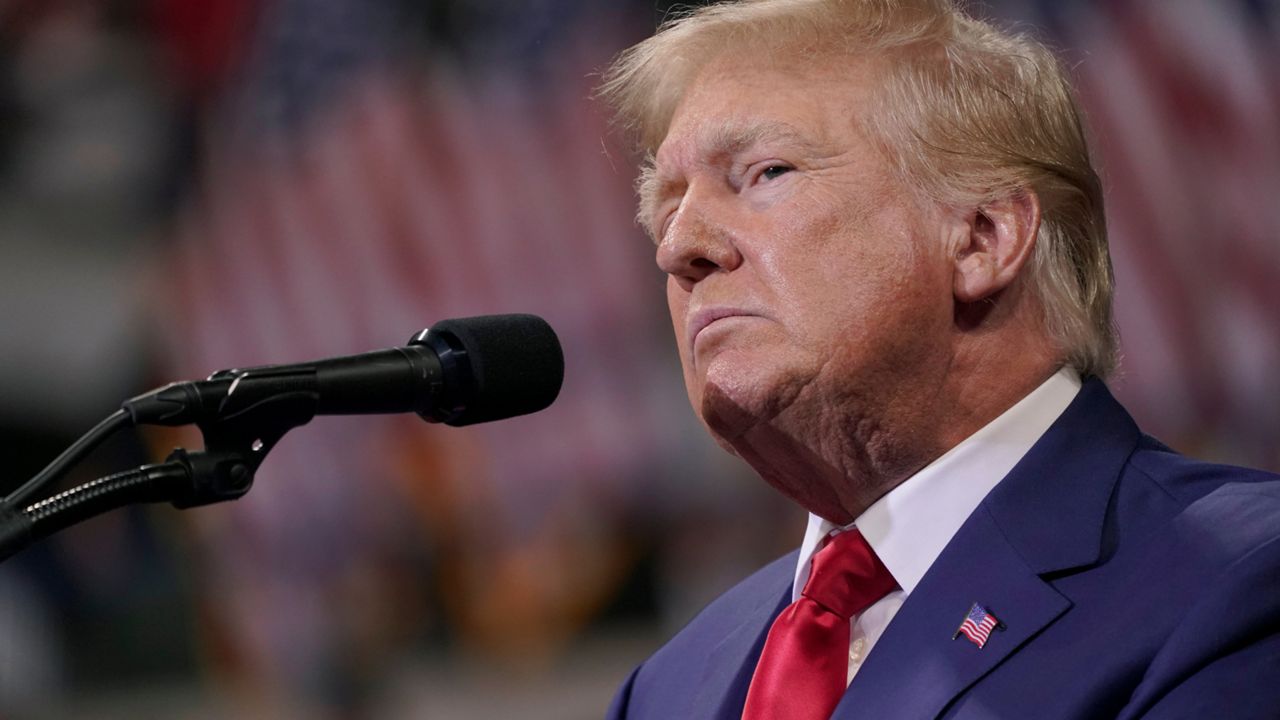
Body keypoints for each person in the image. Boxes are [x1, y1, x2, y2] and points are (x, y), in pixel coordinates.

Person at [597, 1, 1280, 718]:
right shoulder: (666, 689)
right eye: (668, 209)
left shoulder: (1232, 585)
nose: (679, 247)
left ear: (983, 237)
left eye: (766, 172)